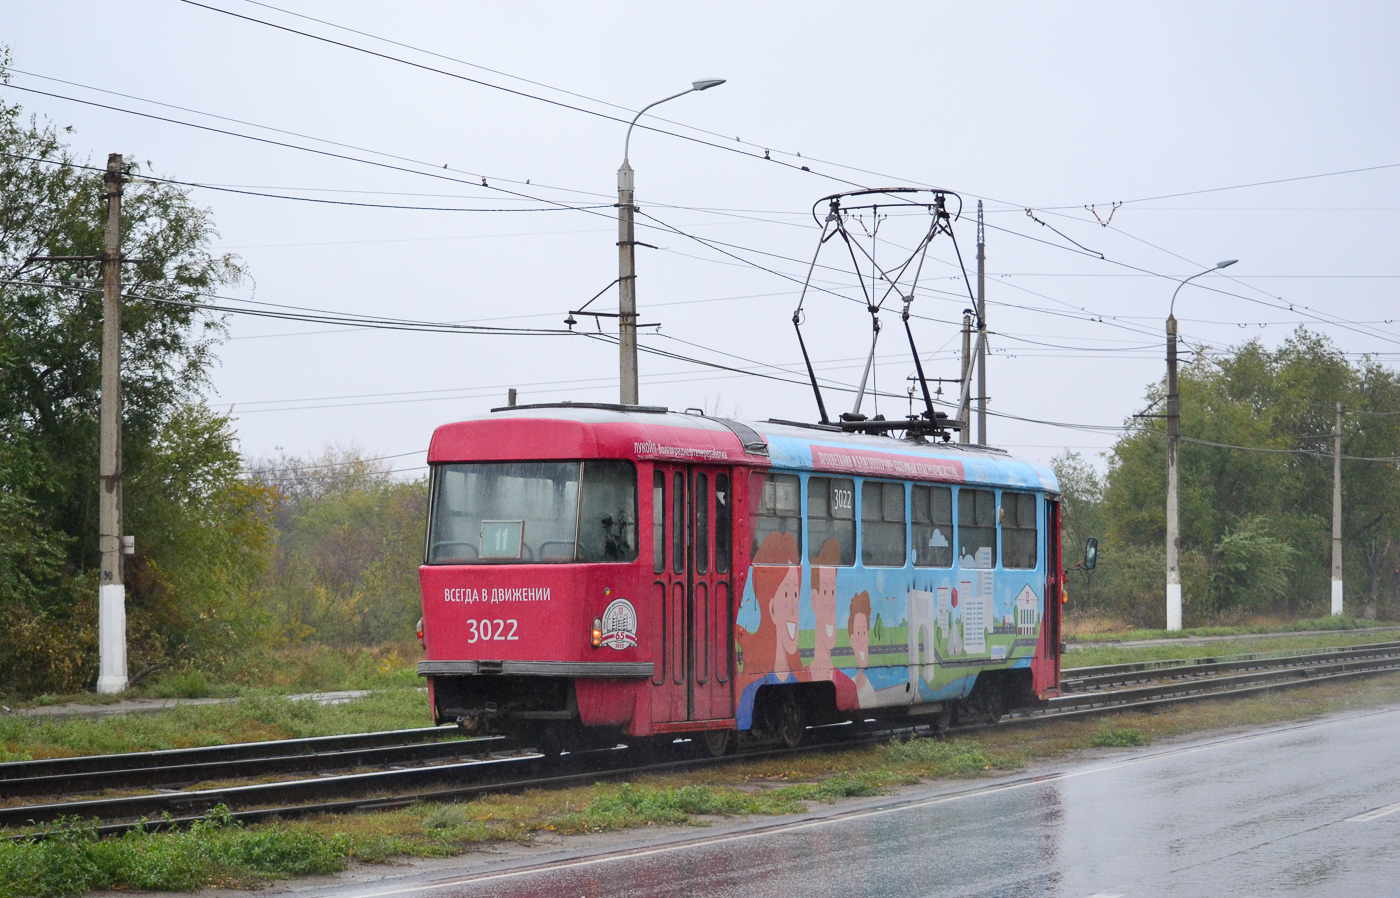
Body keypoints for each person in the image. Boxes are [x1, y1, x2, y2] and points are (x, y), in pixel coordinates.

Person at [735, 530, 806, 729]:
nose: (793, 608)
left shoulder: (800, 675)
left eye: (795, 595)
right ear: (772, 608)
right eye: (786, 596)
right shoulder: (748, 686)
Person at [810, 538, 858, 709]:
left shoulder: (850, 687)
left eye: (833, 592)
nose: (831, 603)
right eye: (825, 592)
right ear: (814, 600)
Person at [846, 589, 877, 705]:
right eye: (858, 633)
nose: (862, 641)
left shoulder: (868, 687)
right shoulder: (849, 684)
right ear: (852, 640)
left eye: (864, 633)